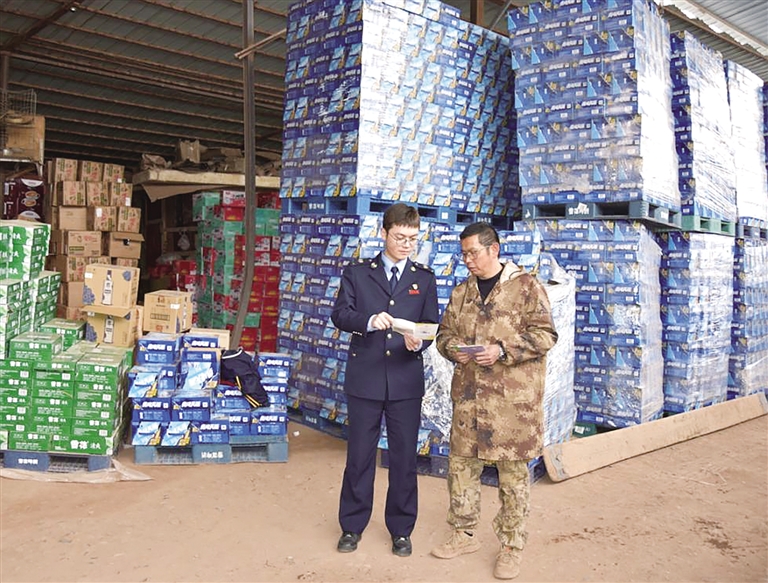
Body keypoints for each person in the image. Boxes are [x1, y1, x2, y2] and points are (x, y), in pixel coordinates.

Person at [431, 222, 558, 580]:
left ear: (494, 250)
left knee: (513, 476)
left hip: (511, 406)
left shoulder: (526, 287)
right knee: (461, 469)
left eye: (473, 253)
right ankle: (463, 533)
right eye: (464, 254)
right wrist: (453, 349)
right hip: (469, 401)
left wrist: (502, 350)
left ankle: (511, 546)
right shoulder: (462, 293)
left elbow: (546, 335)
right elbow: (443, 335)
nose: (468, 260)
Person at [331, 202, 439, 557]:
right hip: (366, 378)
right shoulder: (358, 273)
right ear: (384, 233)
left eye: (413, 239)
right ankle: (352, 526)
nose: (406, 244)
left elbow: (431, 326)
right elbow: (340, 315)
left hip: (405, 381)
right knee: (359, 456)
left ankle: (401, 530)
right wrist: (367, 321)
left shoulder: (424, 278)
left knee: (404, 459)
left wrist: (418, 341)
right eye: (400, 237)